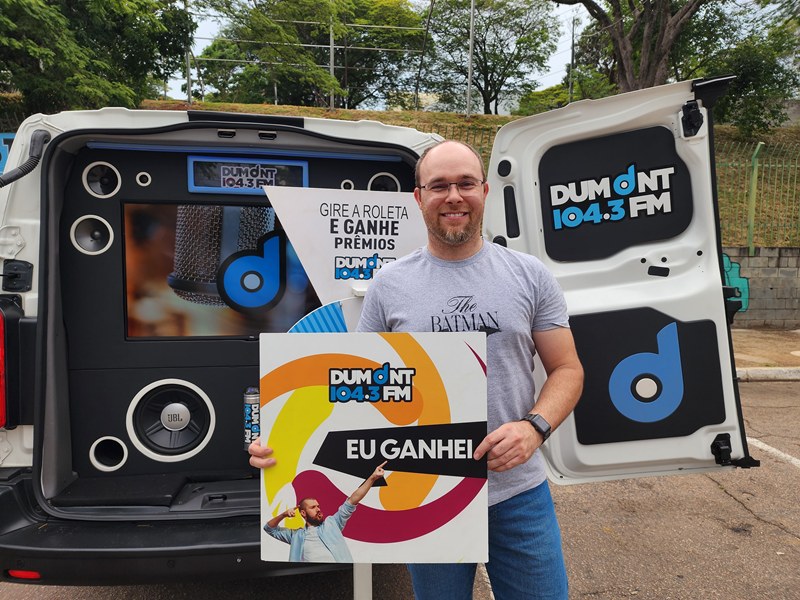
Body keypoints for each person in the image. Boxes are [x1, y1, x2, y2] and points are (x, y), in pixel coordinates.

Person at [251, 139, 583, 598]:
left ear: (485, 191)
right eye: (439, 186)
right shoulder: (389, 285)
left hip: (517, 494)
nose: (454, 196)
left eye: (466, 183)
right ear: (418, 197)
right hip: (425, 493)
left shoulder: (530, 275)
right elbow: (356, 394)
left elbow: (567, 368)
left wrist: (535, 427)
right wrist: (283, 447)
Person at [263, 461, 387, 562]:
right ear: (303, 513)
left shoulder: (332, 523)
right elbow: (269, 529)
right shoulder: (296, 536)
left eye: (318, 506)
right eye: (313, 507)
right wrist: (283, 515)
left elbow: (352, 500)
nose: (318, 509)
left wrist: (372, 478)